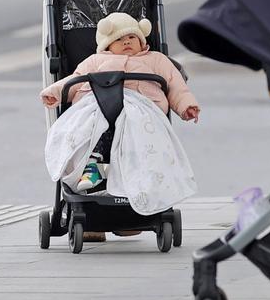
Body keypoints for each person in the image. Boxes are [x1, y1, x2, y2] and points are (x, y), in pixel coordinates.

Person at [42, 12, 199, 191]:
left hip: (141, 105)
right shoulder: (96, 60)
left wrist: (186, 105)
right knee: (92, 124)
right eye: (119, 39)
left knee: (136, 125)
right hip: (99, 103)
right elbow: (76, 79)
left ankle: (137, 171)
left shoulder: (156, 59)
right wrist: (55, 92)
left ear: (142, 41)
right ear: (107, 46)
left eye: (132, 37)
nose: (126, 42)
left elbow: (175, 83)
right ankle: (95, 165)